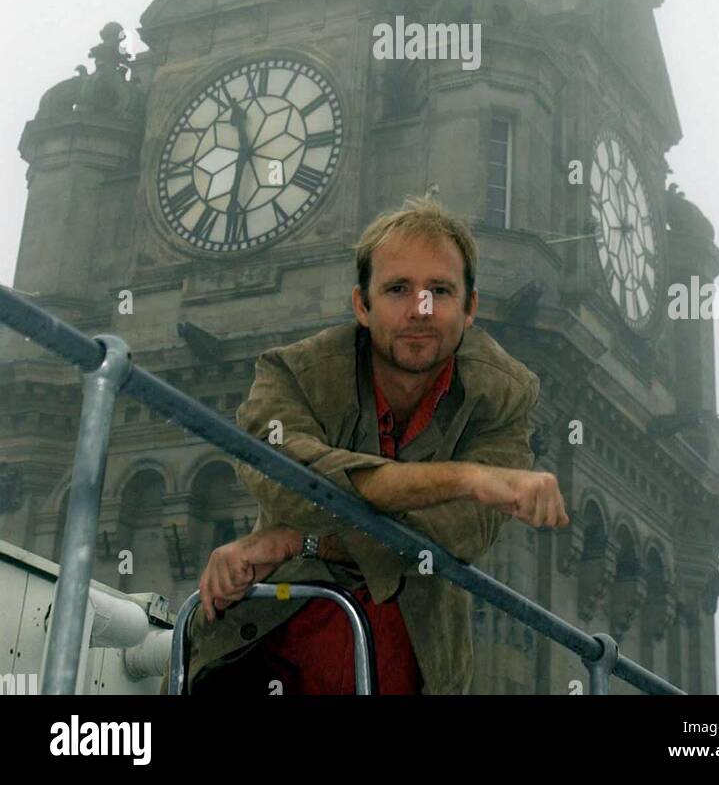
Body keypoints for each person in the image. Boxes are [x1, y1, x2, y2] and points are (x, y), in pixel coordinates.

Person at [178, 195, 569, 695]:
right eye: (399, 289)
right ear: (362, 304)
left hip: (406, 677)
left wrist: (298, 540)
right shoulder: (293, 375)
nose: (420, 310)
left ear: (470, 307)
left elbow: (458, 532)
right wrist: (468, 478)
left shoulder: (502, 397)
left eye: (441, 291)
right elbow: (285, 481)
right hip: (259, 661)